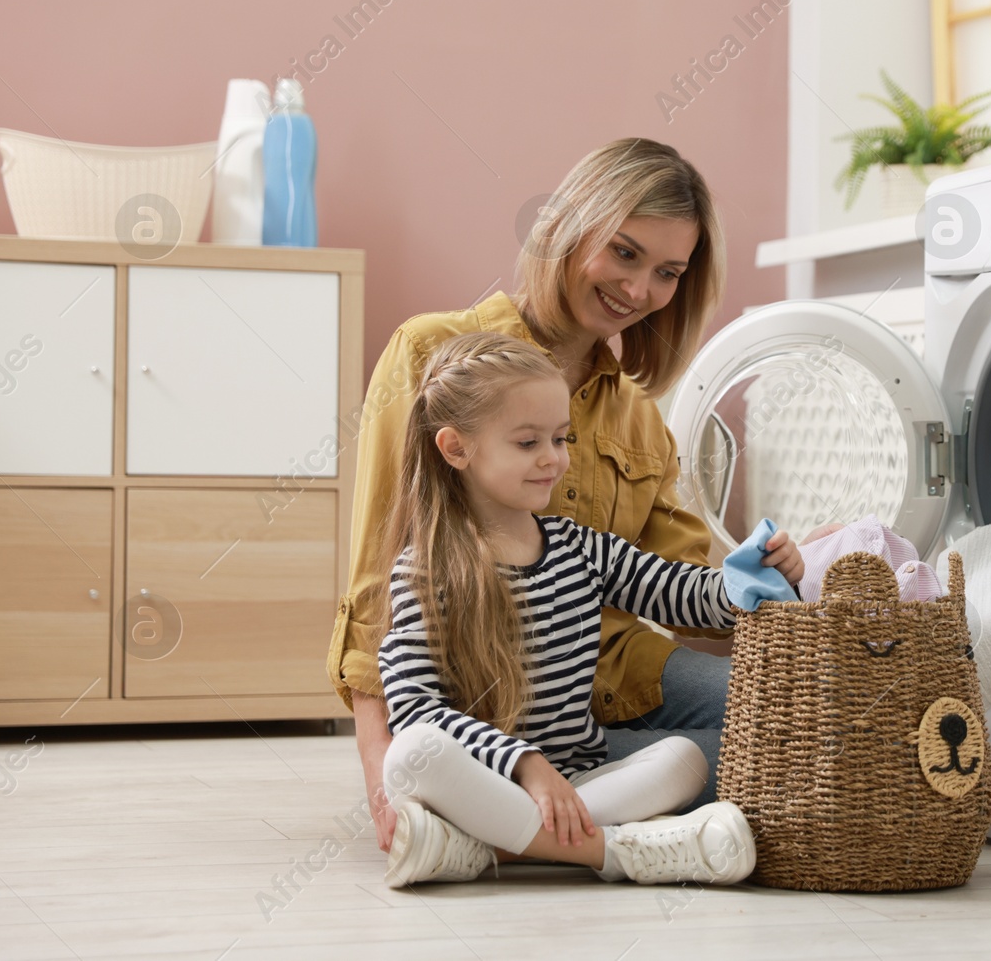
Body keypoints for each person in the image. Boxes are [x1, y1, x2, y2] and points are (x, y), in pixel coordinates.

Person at [327, 138, 804, 850]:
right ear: (567, 229)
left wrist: (770, 577)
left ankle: (542, 827)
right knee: (761, 753)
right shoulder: (433, 354)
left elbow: (679, 590)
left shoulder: (641, 415)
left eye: (668, 272)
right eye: (624, 252)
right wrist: (383, 781)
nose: (639, 291)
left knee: (802, 724)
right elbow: (376, 580)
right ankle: (592, 831)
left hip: (614, 677)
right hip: (478, 694)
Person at [378, 332, 804, 886]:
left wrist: (750, 577)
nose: (553, 459)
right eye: (528, 442)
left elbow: (679, 592)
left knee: (684, 759)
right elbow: (414, 709)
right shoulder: (425, 569)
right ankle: (618, 852)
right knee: (410, 754)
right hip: (483, 779)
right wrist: (524, 765)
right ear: (456, 448)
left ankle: (483, 849)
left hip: (581, 779)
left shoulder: (580, 548)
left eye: (560, 438)